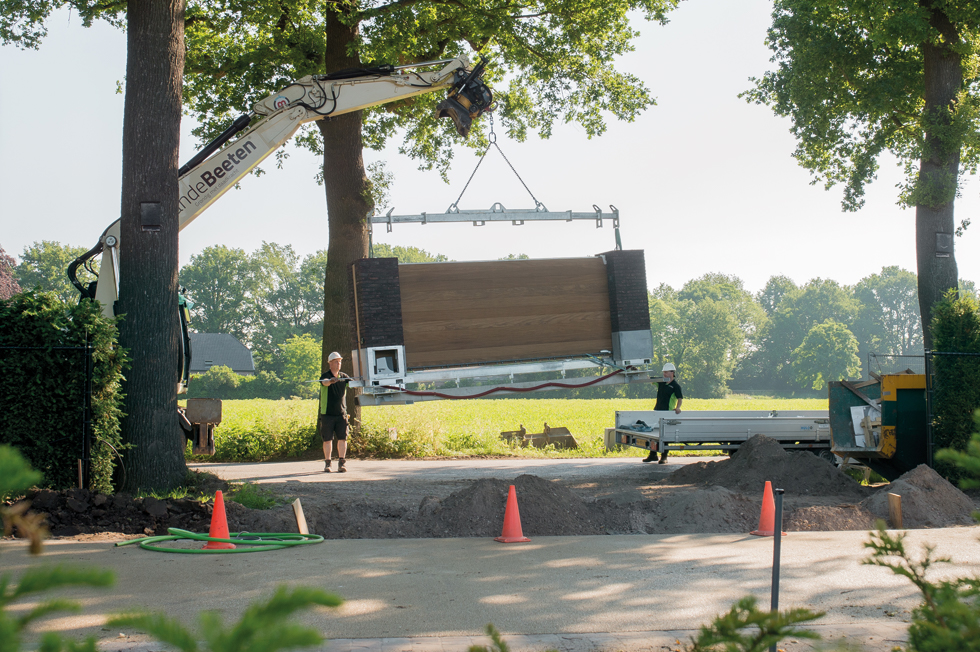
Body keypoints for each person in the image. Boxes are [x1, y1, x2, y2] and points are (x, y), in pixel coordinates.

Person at [643, 362, 683, 465]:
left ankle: (664, 457)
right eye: (663, 372)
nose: (664, 374)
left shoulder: (675, 386)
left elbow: (680, 398)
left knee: (665, 436)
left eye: (666, 372)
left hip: (667, 413)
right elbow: (649, 379)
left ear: (672, 373)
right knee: (654, 434)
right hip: (657, 411)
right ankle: (653, 455)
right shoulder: (660, 382)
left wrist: (678, 408)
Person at [319, 351, 351, 473]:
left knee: (342, 438)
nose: (338, 364)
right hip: (327, 414)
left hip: (341, 413)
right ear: (330, 364)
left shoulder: (343, 376)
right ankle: (328, 463)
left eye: (339, 362)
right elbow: (324, 383)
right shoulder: (325, 375)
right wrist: (331, 381)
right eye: (336, 362)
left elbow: (353, 384)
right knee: (327, 439)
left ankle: (342, 462)